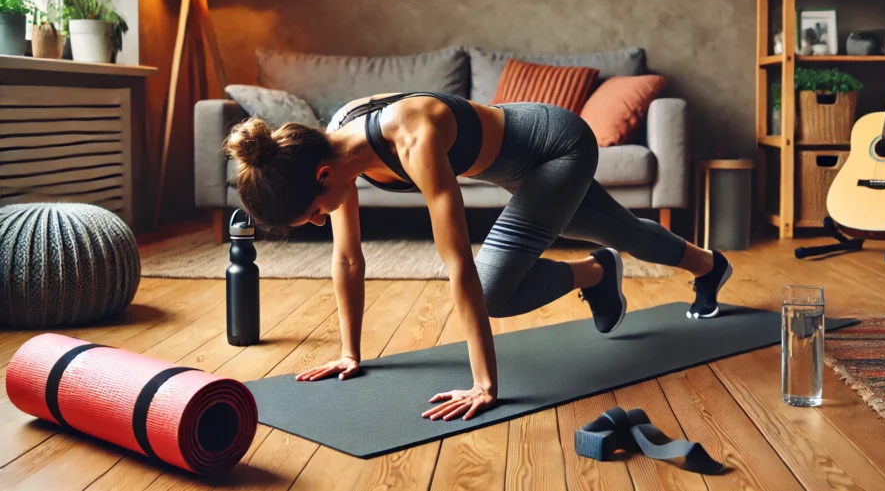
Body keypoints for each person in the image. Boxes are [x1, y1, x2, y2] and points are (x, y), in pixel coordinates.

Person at [224, 92, 733, 422]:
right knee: (618, 229)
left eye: (313, 213)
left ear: (321, 177)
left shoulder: (412, 138)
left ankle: (597, 273)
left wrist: (484, 383)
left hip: (558, 148)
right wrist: (350, 354)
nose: (320, 221)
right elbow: (349, 258)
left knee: (491, 287)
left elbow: (459, 264)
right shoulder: (334, 153)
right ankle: (707, 267)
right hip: (517, 169)